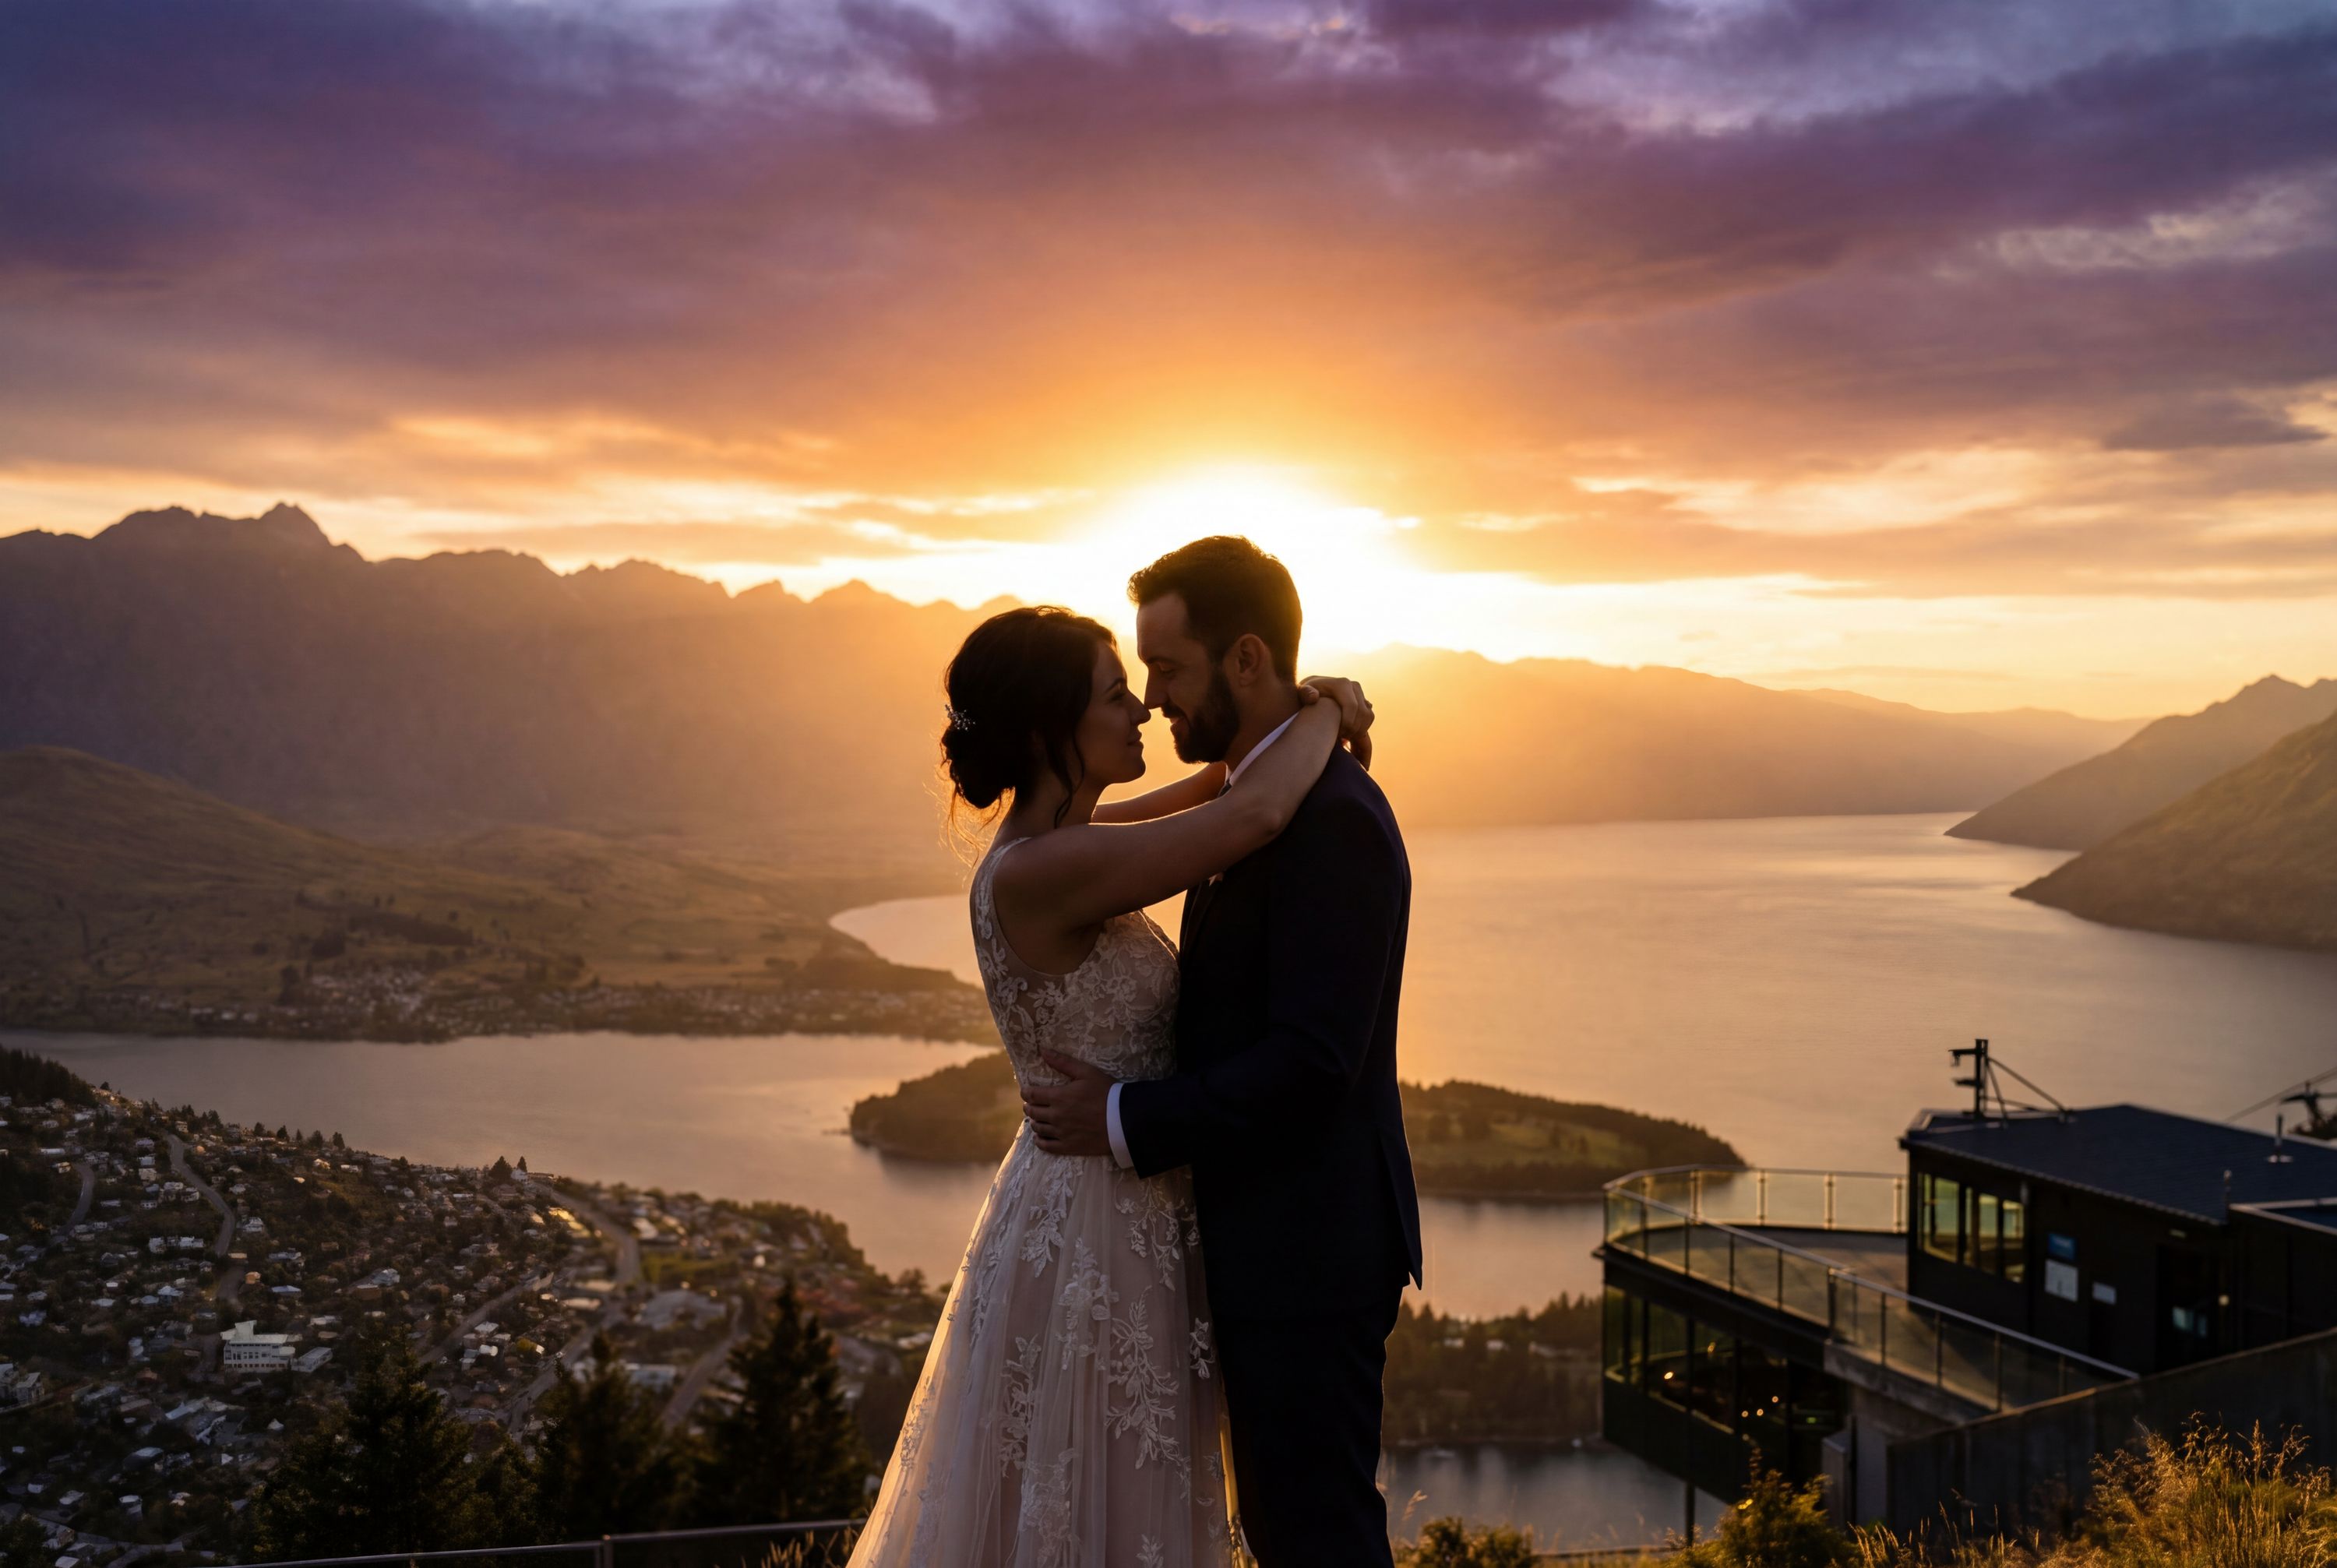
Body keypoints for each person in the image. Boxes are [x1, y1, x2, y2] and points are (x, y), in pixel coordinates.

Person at [846, 587, 1378, 1568]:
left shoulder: (1057, 848)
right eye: (1113, 694)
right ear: (1047, 730)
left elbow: (1216, 790)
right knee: (1105, 1500)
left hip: (1103, 1195)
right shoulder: (1046, 872)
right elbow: (1255, 812)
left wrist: (1288, 726)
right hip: (1099, 1219)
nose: (1142, 706)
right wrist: (1330, 712)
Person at [1024, 536, 1421, 1567]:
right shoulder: (1246, 805)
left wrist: (1123, 1116)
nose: (1153, 698)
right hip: (1260, 1245)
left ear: (1246, 659)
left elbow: (1313, 1062)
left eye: (1167, 668)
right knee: (1282, 1530)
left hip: (1309, 1252)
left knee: (1317, 1534)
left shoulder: (1330, 819)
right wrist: (1325, 711)